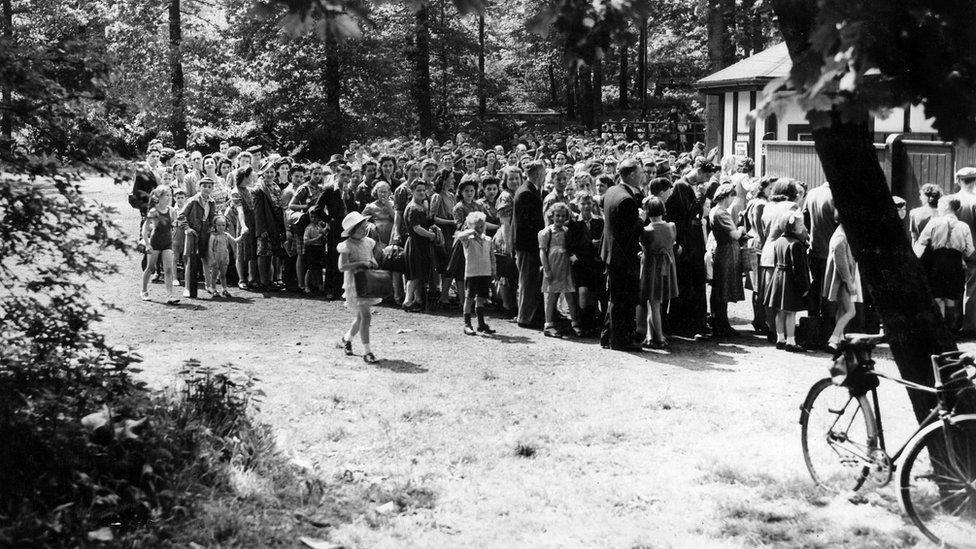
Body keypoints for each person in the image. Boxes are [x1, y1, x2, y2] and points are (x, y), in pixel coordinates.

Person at [601, 158, 645, 351]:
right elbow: (630, 232)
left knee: (615, 297)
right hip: (623, 256)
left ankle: (608, 335)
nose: (643, 176)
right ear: (632, 175)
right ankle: (620, 341)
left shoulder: (612, 191)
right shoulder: (626, 199)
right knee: (624, 300)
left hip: (611, 252)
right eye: (641, 172)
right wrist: (641, 220)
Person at [914, 197, 975, 325]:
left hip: (937, 264)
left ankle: (939, 330)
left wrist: (915, 260)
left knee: (937, 297)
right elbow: (970, 251)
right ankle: (949, 331)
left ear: (947, 206)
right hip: (955, 265)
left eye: (940, 205)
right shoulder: (964, 226)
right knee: (950, 299)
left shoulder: (934, 222)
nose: (938, 208)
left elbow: (921, 243)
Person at [336, 211, 382, 364]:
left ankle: (347, 339)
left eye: (364, 227)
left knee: (360, 318)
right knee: (366, 316)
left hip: (367, 282)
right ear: (352, 230)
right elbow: (342, 267)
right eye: (360, 228)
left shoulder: (368, 242)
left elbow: (370, 257)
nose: (364, 230)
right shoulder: (346, 246)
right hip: (354, 284)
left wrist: (373, 262)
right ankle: (367, 351)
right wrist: (360, 264)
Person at [764, 211, 810, 352]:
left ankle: (780, 338)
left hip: (778, 277)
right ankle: (791, 341)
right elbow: (799, 268)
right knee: (791, 312)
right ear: (793, 228)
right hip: (790, 280)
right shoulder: (796, 244)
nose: (803, 226)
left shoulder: (778, 241)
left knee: (780, 311)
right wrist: (804, 286)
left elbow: (776, 261)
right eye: (800, 224)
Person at [639, 197, 678, 349]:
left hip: (651, 267)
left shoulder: (647, 230)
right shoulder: (671, 227)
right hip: (667, 266)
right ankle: (650, 335)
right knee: (655, 302)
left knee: (653, 303)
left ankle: (659, 337)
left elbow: (644, 247)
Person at [512, 161, 547, 328]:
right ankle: (525, 317)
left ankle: (529, 315)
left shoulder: (529, 190)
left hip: (527, 244)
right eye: (544, 173)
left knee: (529, 280)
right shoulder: (526, 193)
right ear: (538, 174)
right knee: (527, 281)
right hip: (527, 245)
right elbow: (527, 223)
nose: (545, 176)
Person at [539, 202, 581, 338]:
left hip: (565, 265)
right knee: (551, 294)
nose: (560, 219)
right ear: (552, 216)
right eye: (557, 216)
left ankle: (574, 323)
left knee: (569, 293)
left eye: (563, 216)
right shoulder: (547, 232)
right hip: (553, 265)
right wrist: (547, 269)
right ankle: (548, 324)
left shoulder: (566, 231)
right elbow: (542, 252)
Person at [708, 183, 745, 336]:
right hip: (728, 252)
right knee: (723, 289)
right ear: (725, 196)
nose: (732, 200)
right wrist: (741, 229)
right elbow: (734, 234)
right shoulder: (721, 213)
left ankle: (718, 321)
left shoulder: (714, 211)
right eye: (731, 197)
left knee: (719, 289)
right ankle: (722, 324)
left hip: (722, 250)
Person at [455, 211, 497, 335]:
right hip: (472, 273)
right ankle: (467, 324)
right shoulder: (468, 240)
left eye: (482, 225)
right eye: (478, 226)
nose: (481, 228)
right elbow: (460, 236)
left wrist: (493, 270)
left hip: (485, 272)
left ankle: (481, 323)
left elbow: (492, 257)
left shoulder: (488, 240)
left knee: (481, 298)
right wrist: (470, 231)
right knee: (469, 298)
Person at [824, 220, 863, 353]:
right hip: (842, 282)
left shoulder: (840, 235)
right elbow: (842, 265)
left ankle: (838, 339)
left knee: (842, 310)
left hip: (842, 281)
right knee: (851, 311)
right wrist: (850, 284)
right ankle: (833, 339)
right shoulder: (841, 238)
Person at [177, 176, 217, 298]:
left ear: (212, 189)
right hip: (193, 233)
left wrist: (212, 226)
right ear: (199, 187)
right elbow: (181, 215)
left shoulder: (212, 202)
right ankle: (187, 288)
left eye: (209, 187)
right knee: (190, 259)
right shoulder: (192, 200)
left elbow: (212, 217)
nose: (206, 189)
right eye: (204, 186)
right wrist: (187, 228)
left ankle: (208, 285)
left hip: (205, 232)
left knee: (205, 258)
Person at [140, 187, 179, 304]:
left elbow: (174, 225)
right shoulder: (154, 211)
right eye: (166, 195)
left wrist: (174, 229)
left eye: (169, 196)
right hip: (155, 242)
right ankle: (144, 291)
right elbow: (145, 228)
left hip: (167, 242)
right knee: (150, 268)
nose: (169, 198)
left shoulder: (172, 211)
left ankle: (170, 295)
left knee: (168, 269)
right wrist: (147, 244)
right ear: (159, 198)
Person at [403, 179, 438, 311]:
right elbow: (417, 228)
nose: (422, 192)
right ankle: (407, 301)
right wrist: (431, 235)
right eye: (418, 190)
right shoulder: (413, 208)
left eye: (423, 190)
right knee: (414, 275)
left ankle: (417, 301)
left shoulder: (420, 206)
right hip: (415, 245)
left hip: (420, 245)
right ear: (412, 191)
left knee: (419, 274)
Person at [208, 215, 245, 298]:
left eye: (223, 225)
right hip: (216, 256)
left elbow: (235, 241)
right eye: (219, 225)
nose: (221, 227)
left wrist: (242, 235)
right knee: (214, 275)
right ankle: (213, 289)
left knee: (223, 274)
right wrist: (212, 259)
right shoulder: (213, 236)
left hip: (225, 257)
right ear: (215, 225)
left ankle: (224, 289)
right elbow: (210, 249)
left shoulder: (226, 235)